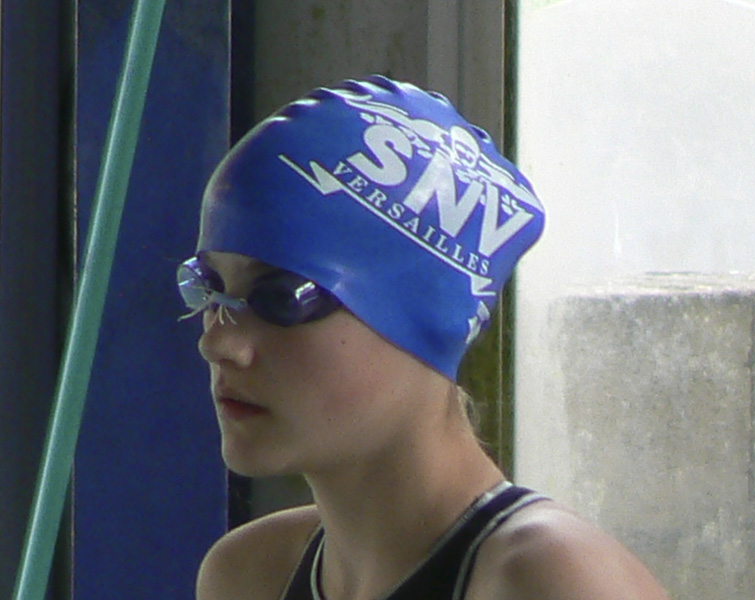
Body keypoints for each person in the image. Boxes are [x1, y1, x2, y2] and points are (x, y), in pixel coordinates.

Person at [179, 75, 670, 600]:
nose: (218, 343)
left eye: (282, 298)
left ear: (426, 318)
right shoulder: (250, 575)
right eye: (209, 286)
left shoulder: (555, 581)